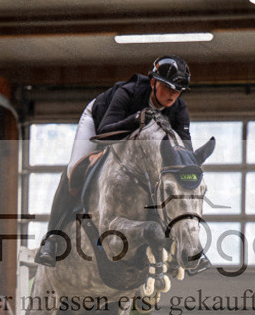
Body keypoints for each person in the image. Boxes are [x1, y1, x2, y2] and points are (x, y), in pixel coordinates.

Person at [35, 55, 193, 267]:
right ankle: (51, 239)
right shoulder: (128, 92)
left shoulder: (179, 109)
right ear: (153, 83)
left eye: (178, 90)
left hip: (132, 142)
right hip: (99, 122)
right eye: (168, 87)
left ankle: (187, 242)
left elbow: (185, 151)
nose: (173, 94)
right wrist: (136, 119)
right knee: (74, 169)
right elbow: (103, 133)